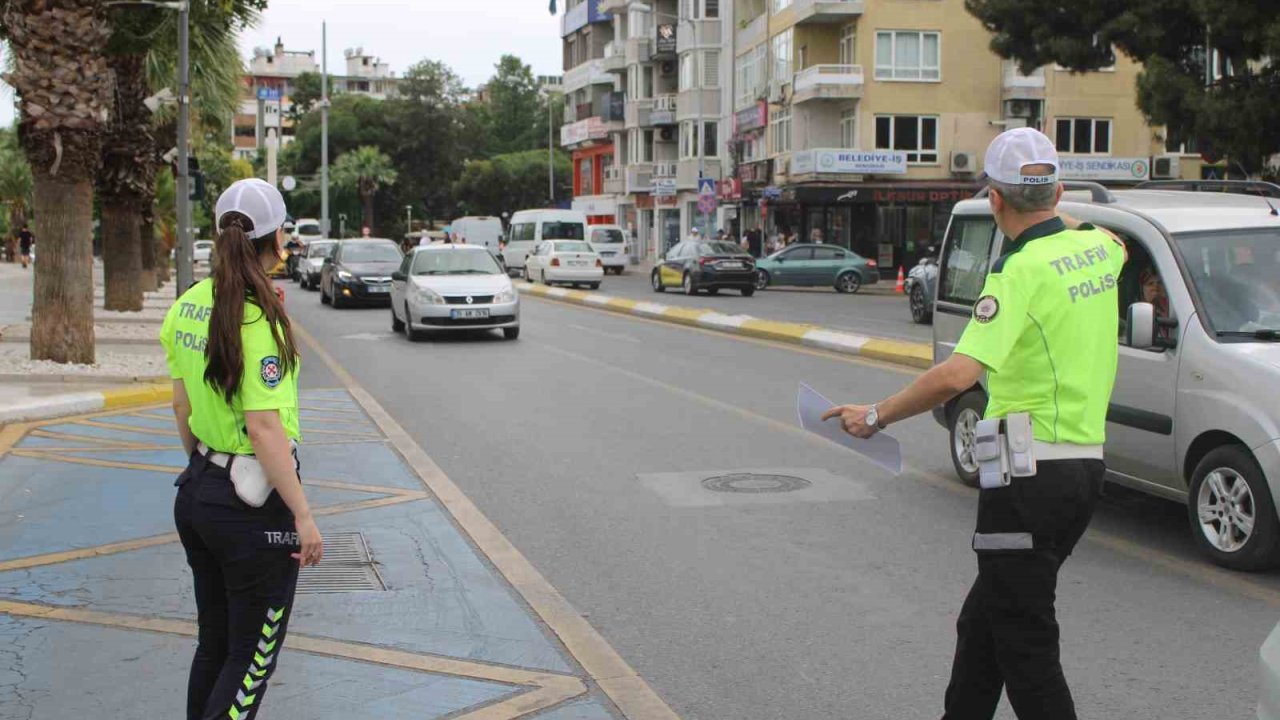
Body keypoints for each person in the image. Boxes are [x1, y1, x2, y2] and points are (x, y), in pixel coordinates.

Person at [823, 127, 1126, 720]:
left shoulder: (1018, 274)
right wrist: (1057, 216)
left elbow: (957, 373)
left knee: (1026, 645)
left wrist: (875, 415)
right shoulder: (1099, 251)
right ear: (1057, 192)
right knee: (984, 622)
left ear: (994, 200)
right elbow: (1113, 236)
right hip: (1082, 472)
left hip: (1026, 482)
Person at [162, 178, 323, 720]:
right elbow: (264, 429)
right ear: (276, 238)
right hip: (251, 508)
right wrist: (302, 515)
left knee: (215, 644)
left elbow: (182, 407)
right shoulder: (257, 317)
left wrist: (202, 470)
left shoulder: (187, 305)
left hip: (198, 491)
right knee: (250, 660)